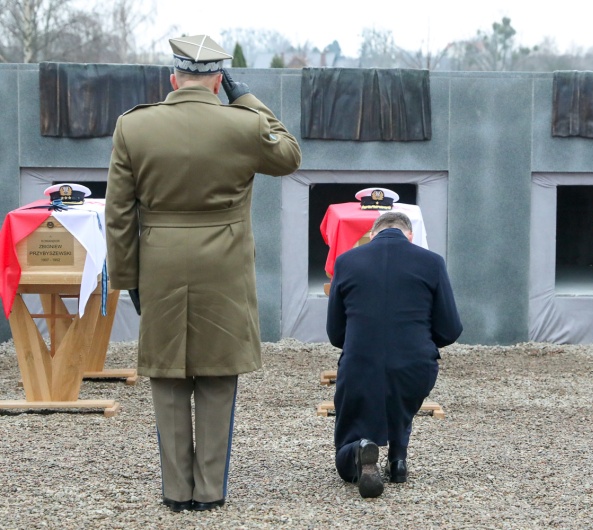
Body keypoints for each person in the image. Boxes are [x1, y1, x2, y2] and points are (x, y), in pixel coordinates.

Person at [105, 34, 301, 512]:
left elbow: (118, 212)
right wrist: (246, 97)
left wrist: (128, 278)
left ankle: (176, 491)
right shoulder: (244, 125)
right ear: (218, 80)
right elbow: (290, 154)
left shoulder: (134, 127)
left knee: (168, 376)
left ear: (173, 78)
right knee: (216, 377)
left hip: (161, 262)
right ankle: (210, 492)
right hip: (225, 265)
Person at [326, 211, 463, 498]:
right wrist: (420, 343)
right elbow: (450, 330)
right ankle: (398, 460)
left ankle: (360, 450)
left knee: (348, 440)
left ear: (372, 235)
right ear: (410, 236)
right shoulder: (432, 262)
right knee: (400, 394)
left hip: (360, 364)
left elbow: (335, 333)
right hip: (415, 365)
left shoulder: (346, 261)